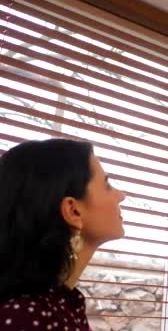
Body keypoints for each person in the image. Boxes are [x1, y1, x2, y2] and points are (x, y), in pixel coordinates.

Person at [0, 139, 126, 330]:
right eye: (107, 185)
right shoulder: (25, 316)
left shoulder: (66, 303)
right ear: (73, 211)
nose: (121, 195)